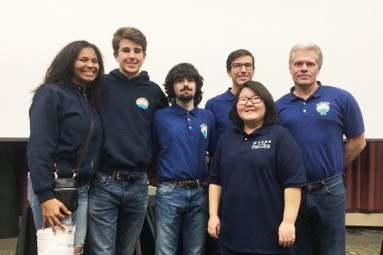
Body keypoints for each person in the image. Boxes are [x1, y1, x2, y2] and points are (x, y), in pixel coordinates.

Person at [275, 43, 366, 255]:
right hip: (293, 191)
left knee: (332, 249)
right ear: (290, 68)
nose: (304, 68)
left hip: (330, 190)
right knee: (296, 248)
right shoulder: (278, 107)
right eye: (298, 63)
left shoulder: (341, 99)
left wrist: (333, 169)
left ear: (319, 68)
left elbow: (358, 141)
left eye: (310, 63)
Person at [88, 27, 168, 255]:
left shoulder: (153, 92)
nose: (132, 55)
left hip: (138, 184)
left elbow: (164, 129)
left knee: (126, 250)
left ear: (144, 55)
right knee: (103, 251)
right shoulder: (99, 85)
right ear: (116, 55)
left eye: (137, 50)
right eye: (125, 50)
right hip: (104, 182)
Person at [208, 81, 306, 255]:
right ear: (236, 106)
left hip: (271, 237)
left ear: (267, 104)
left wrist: (288, 222)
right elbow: (216, 180)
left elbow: (293, 183)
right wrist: (213, 215)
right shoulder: (227, 138)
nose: (249, 103)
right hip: (231, 236)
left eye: (256, 98)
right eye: (243, 99)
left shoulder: (281, 137)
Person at [27, 40, 104, 254]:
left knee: (75, 251)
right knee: (57, 251)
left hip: (81, 189)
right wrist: (45, 196)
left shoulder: (88, 98)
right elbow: (38, 149)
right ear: (69, 62)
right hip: (54, 188)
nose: (91, 65)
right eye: (83, 60)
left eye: (95, 61)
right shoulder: (50, 94)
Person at [153, 63, 216, 255]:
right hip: (169, 191)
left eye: (190, 80)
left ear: (197, 86)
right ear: (172, 87)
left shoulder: (207, 117)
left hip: (199, 191)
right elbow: (150, 151)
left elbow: (214, 152)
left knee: (196, 251)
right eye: (180, 81)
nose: (186, 84)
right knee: (165, 250)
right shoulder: (159, 116)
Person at [205, 49, 255, 138]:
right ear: (229, 71)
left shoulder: (261, 104)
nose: (243, 70)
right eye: (237, 65)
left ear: (253, 70)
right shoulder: (214, 105)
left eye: (248, 65)